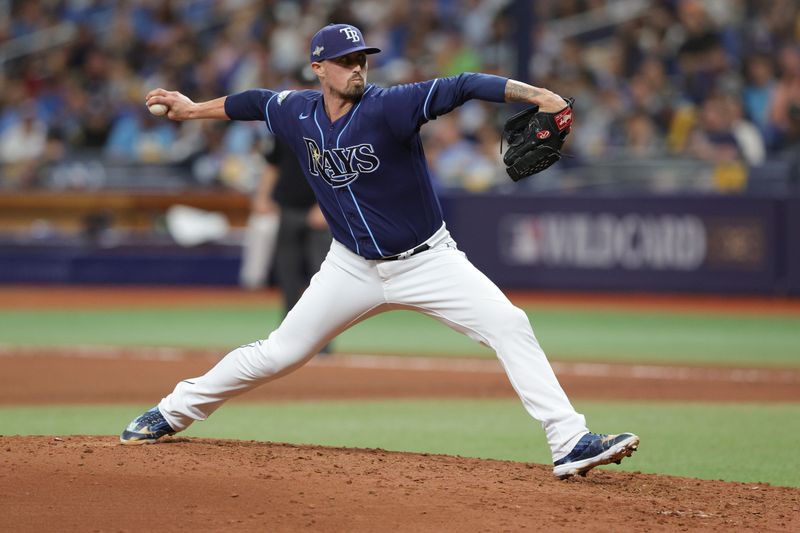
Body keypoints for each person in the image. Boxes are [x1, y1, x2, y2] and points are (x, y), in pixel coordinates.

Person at [121, 23, 639, 480]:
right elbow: (254, 102)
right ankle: (171, 412)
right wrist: (193, 111)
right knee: (280, 353)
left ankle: (569, 441)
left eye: (361, 59)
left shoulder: (390, 105)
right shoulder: (297, 111)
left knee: (509, 324)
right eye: (344, 61)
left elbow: (461, 85)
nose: (356, 68)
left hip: (427, 260)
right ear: (318, 68)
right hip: (349, 266)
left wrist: (539, 96)